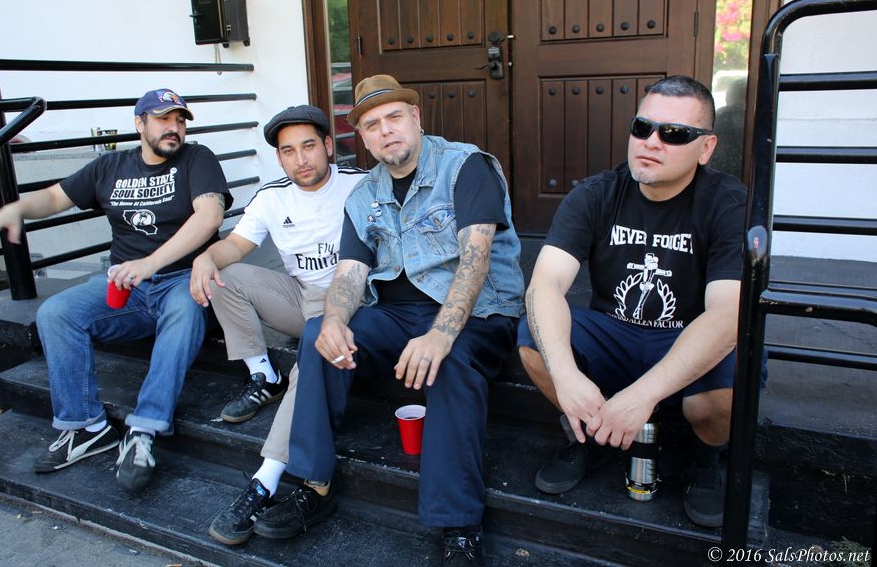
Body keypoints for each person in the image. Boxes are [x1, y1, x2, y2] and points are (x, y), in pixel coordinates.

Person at [250, 74, 523, 566]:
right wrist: (334, 319)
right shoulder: (363, 194)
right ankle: (313, 484)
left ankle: (459, 524)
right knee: (317, 336)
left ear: (415, 118)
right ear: (362, 136)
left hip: (477, 311)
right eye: (372, 125)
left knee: (450, 360)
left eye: (394, 117)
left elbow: (475, 259)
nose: (385, 131)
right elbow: (351, 273)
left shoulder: (466, 166)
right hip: (396, 313)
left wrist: (440, 335)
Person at [518, 75, 753, 528]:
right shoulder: (596, 194)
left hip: (686, 337)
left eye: (675, 133)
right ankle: (587, 435)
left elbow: (727, 316)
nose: (652, 142)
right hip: (616, 334)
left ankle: (706, 459)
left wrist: (642, 395)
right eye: (642, 127)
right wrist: (566, 376)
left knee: (732, 375)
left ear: (706, 148)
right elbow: (544, 286)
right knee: (533, 336)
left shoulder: (728, 204)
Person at [0, 89, 232, 492]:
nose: (174, 128)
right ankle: (86, 427)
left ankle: (144, 429)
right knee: (56, 313)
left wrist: (151, 263)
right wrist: (16, 209)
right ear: (139, 123)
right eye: (163, 119)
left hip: (182, 280)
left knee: (185, 310)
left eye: (180, 120)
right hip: (126, 287)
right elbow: (55, 196)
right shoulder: (110, 166)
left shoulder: (196, 159)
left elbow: (210, 216)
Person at [192, 105, 365, 545]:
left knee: (310, 360)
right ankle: (263, 374)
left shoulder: (360, 184)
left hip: (353, 300)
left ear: (329, 146)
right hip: (301, 295)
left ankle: (264, 481)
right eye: (289, 151)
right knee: (225, 275)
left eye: (309, 146)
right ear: (279, 158)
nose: (301, 159)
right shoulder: (272, 196)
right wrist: (206, 257)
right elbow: (235, 245)